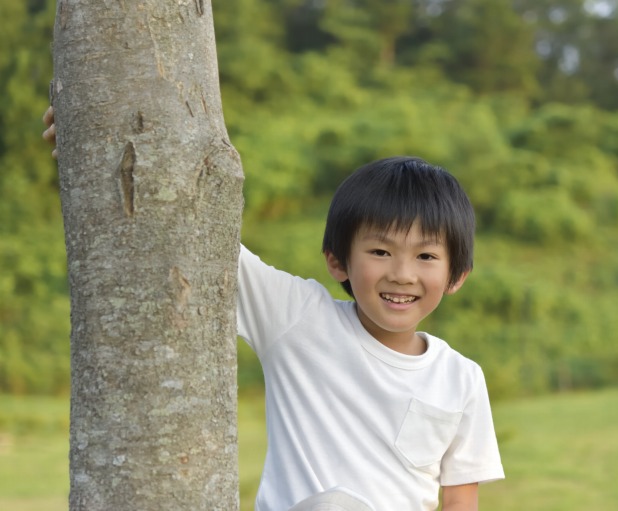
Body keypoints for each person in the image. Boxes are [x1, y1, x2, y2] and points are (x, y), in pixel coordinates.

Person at [43, 108, 504, 511]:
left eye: (425, 257)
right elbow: (193, 233)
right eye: (380, 252)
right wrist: (93, 138)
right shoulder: (300, 319)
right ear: (337, 260)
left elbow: (460, 499)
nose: (402, 274)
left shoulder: (461, 378)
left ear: (456, 275)